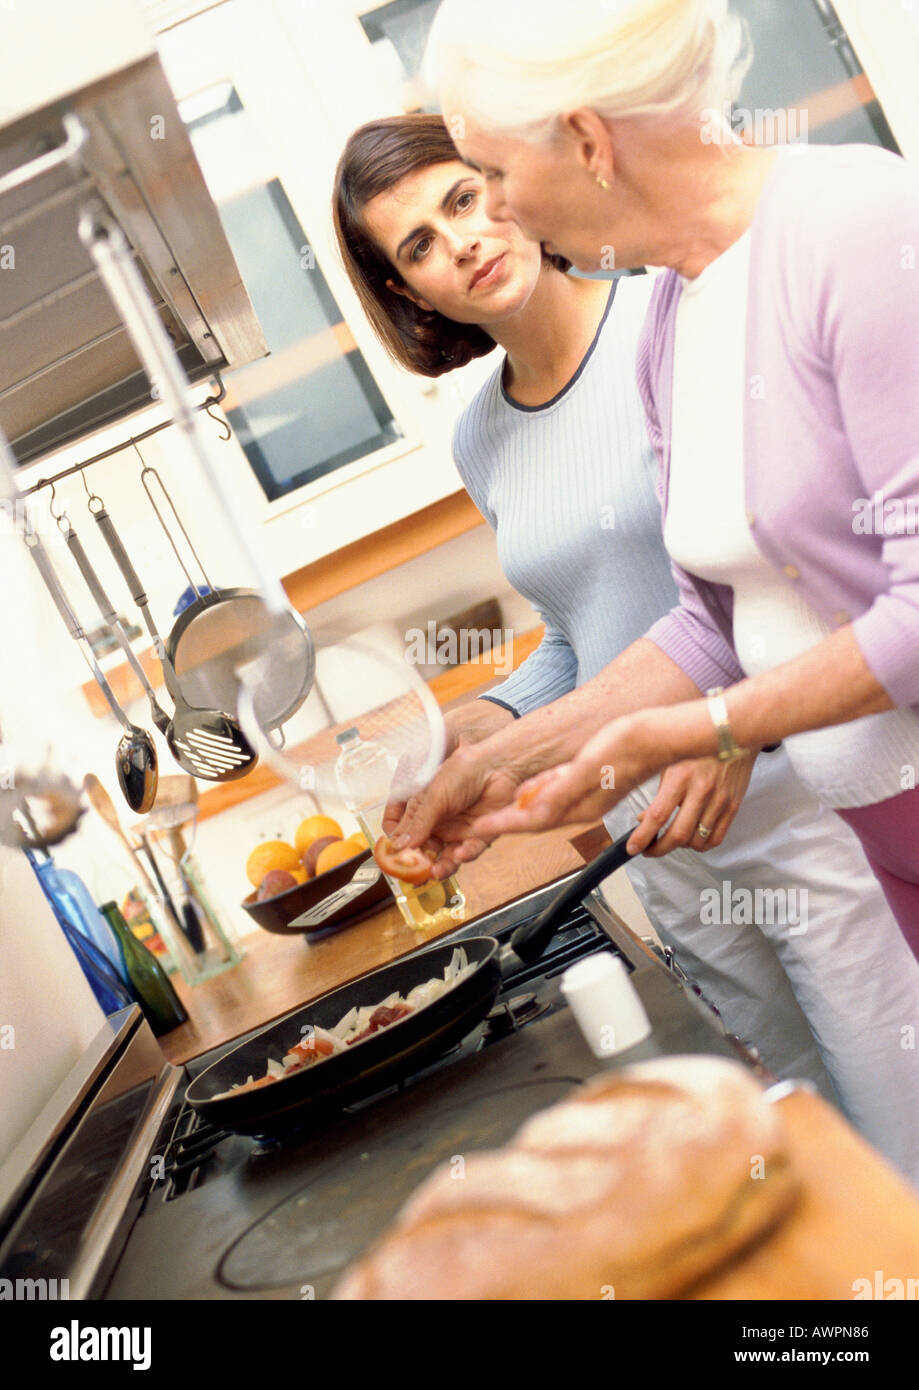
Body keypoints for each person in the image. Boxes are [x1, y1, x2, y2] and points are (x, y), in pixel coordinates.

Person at [332, 113, 919, 1180]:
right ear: (409, 294)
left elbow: (793, 572)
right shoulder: (483, 436)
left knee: (900, 1134)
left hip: (799, 792)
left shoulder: (670, 302)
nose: (461, 238)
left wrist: (724, 733)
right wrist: (488, 729)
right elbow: (590, 624)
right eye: (417, 244)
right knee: (786, 1163)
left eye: (464, 195)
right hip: (655, 842)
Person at [399, 0, 919, 961]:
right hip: (888, 837)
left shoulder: (853, 225)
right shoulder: (677, 311)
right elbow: (709, 626)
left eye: (498, 176)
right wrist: (502, 764)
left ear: (590, 141)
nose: (499, 215)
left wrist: (692, 732)